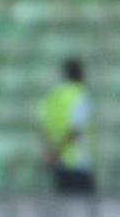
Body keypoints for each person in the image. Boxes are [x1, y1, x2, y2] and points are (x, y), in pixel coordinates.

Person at [38, 57, 97, 194]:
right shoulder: (79, 95)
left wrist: (50, 153)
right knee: (83, 205)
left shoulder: (52, 96)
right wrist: (57, 153)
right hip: (78, 162)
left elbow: (43, 127)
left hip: (58, 164)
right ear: (80, 73)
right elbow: (75, 130)